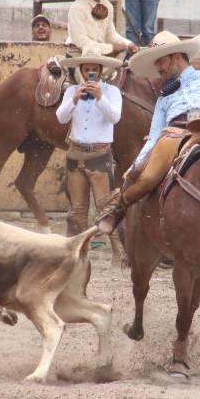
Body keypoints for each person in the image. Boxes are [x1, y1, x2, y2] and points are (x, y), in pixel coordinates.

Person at [96, 31, 200, 233]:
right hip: (174, 135)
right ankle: (120, 208)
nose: (159, 68)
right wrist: (137, 164)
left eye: (161, 62)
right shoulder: (163, 98)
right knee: (147, 178)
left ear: (177, 57)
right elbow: (154, 135)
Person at [55, 46, 124, 260]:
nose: (90, 73)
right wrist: (75, 98)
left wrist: (100, 97)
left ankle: (119, 253)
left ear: (101, 71)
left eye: (95, 69)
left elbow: (115, 117)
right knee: (77, 209)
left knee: (107, 206)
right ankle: (77, 253)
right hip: (75, 153)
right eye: (87, 69)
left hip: (100, 154)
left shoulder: (112, 92)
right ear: (81, 70)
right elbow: (60, 118)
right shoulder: (70, 91)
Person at [65, 0, 138, 56]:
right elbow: (81, 41)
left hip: (98, 53)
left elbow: (110, 34)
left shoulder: (108, 5)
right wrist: (110, 48)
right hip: (76, 54)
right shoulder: (77, 7)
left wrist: (128, 44)